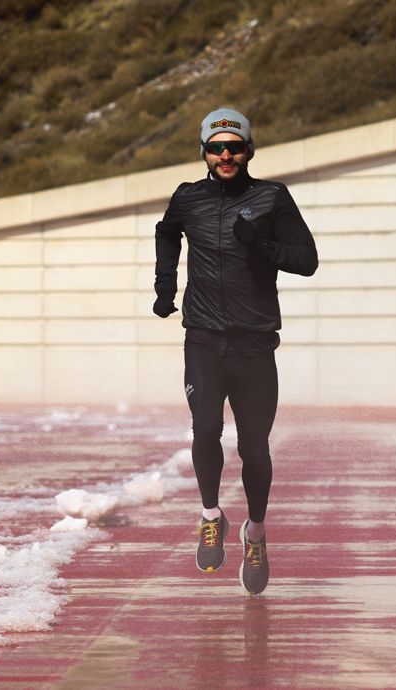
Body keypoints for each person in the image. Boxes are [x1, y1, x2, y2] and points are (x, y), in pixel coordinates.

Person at [153, 107, 318, 595]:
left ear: (249, 150)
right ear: (204, 151)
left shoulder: (272, 197)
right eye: (216, 147)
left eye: (235, 146)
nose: (226, 155)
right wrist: (166, 286)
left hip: (254, 342)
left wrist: (262, 243)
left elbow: (307, 261)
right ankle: (211, 516)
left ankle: (257, 533)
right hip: (203, 337)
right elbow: (166, 232)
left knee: (253, 446)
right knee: (204, 429)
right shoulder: (188, 198)